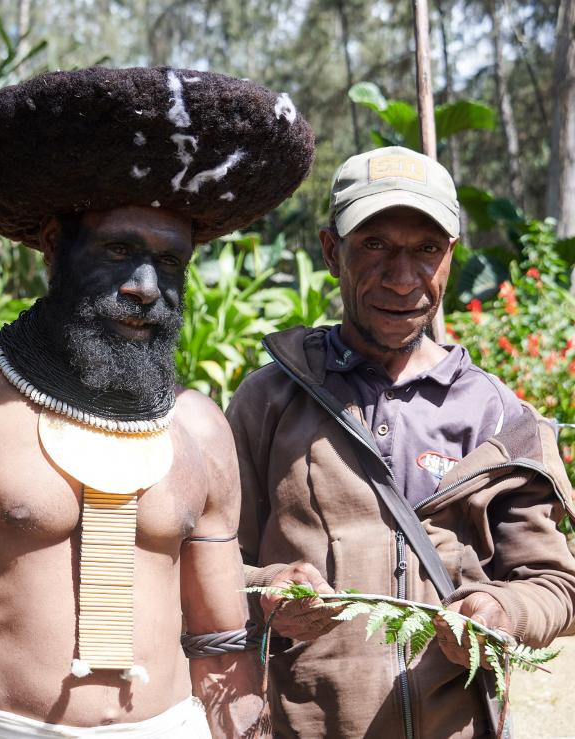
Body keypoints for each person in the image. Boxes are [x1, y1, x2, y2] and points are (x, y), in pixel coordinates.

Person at [0, 66, 315, 738]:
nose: (144, 286)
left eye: (169, 262)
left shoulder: (200, 430)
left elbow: (222, 646)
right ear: (53, 244)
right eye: (119, 250)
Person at [226, 146, 575, 737]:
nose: (403, 276)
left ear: (450, 259)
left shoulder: (498, 415)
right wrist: (266, 588)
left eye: (426, 250)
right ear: (332, 251)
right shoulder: (270, 401)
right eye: (375, 245)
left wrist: (503, 613)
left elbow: (556, 585)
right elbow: (206, 563)